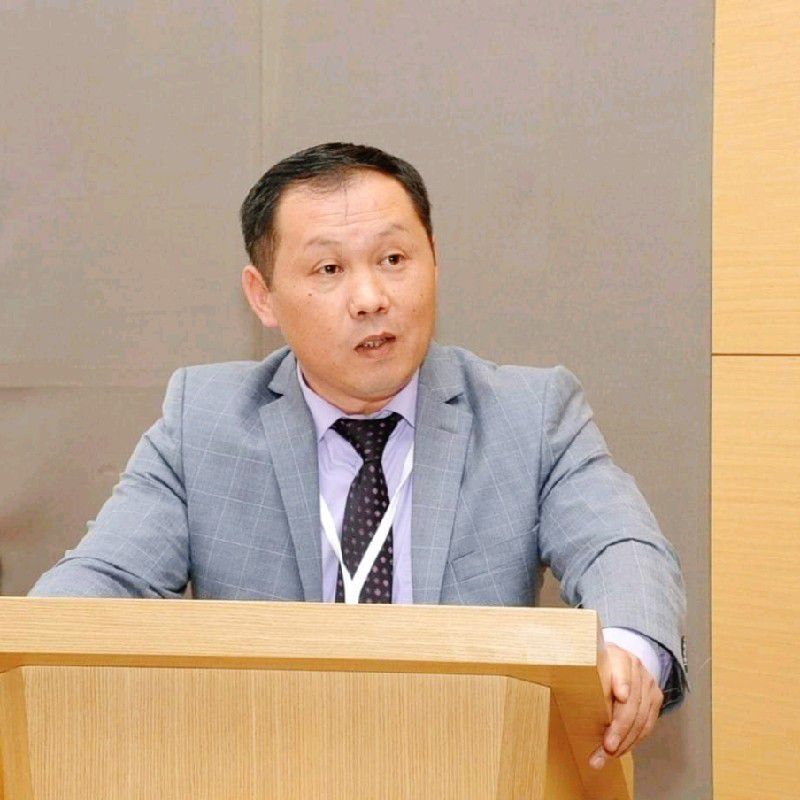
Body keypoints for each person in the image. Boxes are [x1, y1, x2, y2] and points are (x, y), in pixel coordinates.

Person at [30, 142, 688, 770]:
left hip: (468, 768)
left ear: (435, 259)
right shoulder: (204, 421)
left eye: (394, 259)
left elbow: (621, 546)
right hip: (259, 770)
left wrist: (627, 651)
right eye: (329, 269)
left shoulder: (528, 415)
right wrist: (32, 652)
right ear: (262, 296)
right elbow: (101, 580)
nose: (371, 298)